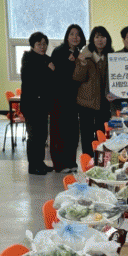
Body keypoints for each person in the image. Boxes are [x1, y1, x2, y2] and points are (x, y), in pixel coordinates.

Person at [73, 26, 115, 157]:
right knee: (87, 135)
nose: (100, 40)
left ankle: (101, 161)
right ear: (92, 40)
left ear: (107, 39)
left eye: (103, 37)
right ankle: (88, 161)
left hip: (105, 102)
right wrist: (82, 62)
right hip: (87, 102)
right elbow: (78, 77)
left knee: (102, 133)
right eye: (97, 37)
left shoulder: (112, 56)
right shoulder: (85, 56)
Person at [49, 24, 86, 173]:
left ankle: (71, 161)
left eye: (78, 34)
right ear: (67, 36)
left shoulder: (79, 52)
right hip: (59, 98)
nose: (75, 37)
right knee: (59, 131)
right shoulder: (59, 51)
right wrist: (68, 62)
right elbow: (56, 74)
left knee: (72, 131)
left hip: (73, 99)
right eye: (72, 34)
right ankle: (60, 164)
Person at [20, 31, 55, 175]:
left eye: (45, 44)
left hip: (43, 104)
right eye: (39, 44)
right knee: (34, 136)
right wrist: (48, 70)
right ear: (32, 45)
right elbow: (34, 80)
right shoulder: (28, 59)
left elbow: (50, 79)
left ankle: (40, 162)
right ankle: (33, 166)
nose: (42, 47)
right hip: (31, 104)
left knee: (42, 136)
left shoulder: (46, 59)